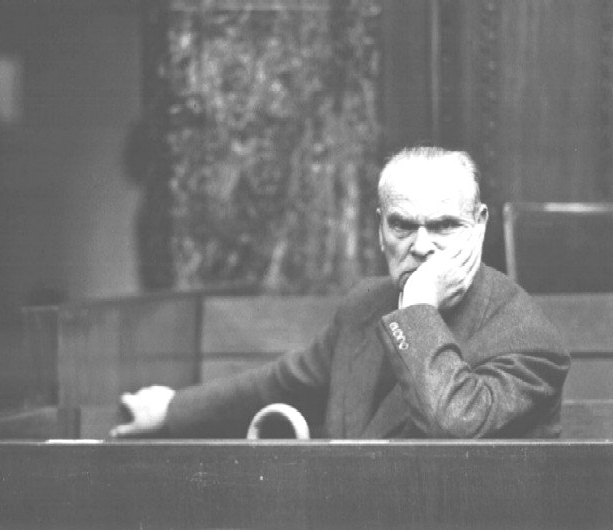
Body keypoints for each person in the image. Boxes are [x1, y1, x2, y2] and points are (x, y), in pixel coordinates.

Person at [111, 146, 570, 439]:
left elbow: (453, 424)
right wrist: (172, 409)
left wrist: (418, 310)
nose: (422, 245)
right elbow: (281, 382)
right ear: (380, 230)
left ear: (480, 226)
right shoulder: (364, 306)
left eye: (445, 225)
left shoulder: (529, 339)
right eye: (403, 225)